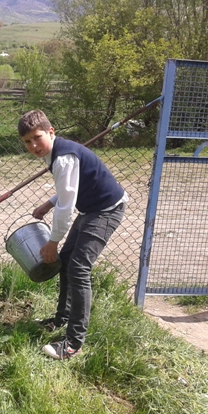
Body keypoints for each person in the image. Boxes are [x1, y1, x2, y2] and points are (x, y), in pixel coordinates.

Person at [18, 110, 127, 360]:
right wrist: (49, 203)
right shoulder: (55, 154)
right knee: (67, 261)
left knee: (78, 268)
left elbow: (66, 208)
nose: (33, 146)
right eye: (27, 142)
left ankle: (73, 343)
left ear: (51, 132)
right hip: (92, 209)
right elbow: (70, 187)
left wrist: (52, 242)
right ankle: (62, 318)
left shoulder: (63, 158)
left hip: (106, 210)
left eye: (37, 137)